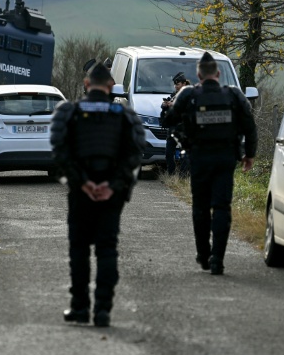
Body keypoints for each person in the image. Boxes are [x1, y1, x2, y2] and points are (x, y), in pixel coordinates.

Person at [50, 61, 146, 327]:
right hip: (111, 193)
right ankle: (103, 310)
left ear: (86, 84)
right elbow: (135, 153)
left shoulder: (68, 111)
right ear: (111, 86)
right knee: (107, 249)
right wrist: (112, 186)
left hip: (80, 192)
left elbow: (59, 150)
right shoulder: (124, 115)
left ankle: (80, 308)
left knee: (79, 250)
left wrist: (82, 183)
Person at [162, 52, 258, 275]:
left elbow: (169, 121)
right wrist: (249, 155)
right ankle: (218, 259)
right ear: (218, 74)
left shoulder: (188, 95)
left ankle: (204, 253)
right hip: (225, 159)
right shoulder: (233, 96)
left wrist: (173, 108)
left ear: (198, 75)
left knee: (201, 206)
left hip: (199, 158)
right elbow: (249, 127)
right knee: (222, 207)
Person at [160, 72, 192, 175]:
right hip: (173, 127)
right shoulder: (174, 95)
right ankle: (171, 173)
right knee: (169, 153)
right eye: (175, 84)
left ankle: (183, 175)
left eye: (177, 84)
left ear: (183, 83)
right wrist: (165, 104)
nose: (175, 86)